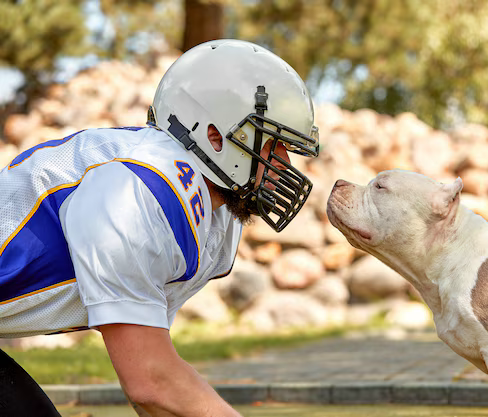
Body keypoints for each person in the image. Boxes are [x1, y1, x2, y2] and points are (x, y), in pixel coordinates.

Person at [0, 39, 319, 417]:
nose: (285, 165)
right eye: (274, 145)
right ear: (215, 136)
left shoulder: (212, 216)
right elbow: (150, 382)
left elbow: (156, 383)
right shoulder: (141, 191)